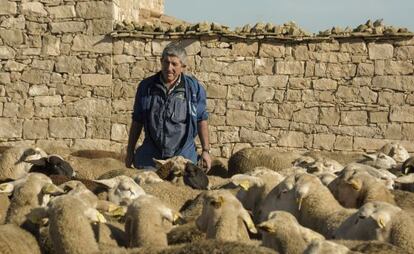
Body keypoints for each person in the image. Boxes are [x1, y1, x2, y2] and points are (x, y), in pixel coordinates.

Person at [125, 43, 212, 172]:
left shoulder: (194, 89)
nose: (168, 68)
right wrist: (130, 150)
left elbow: (201, 120)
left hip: (183, 157)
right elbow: (137, 120)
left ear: (183, 67)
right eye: (166, 62)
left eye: (174, 64)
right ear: (161, 61)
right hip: (151, 158)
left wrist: (206, 150)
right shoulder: (146, 87)